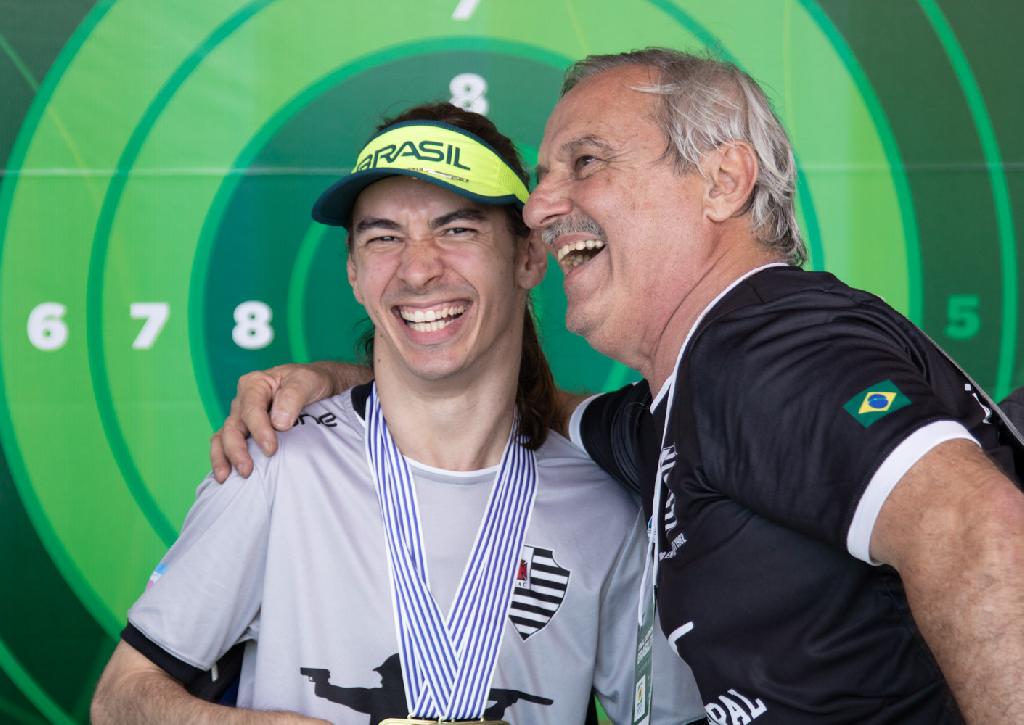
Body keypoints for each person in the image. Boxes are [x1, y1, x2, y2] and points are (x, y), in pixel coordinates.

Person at [214, 49, 1024, 724]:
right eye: (543, 176)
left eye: (586, 163)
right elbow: (530, 406)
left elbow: (977, 529)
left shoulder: (767, 348)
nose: (540, 207)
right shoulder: (682, 402)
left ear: (723, 180)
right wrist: (346, 378)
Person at [91, 102, 705, 725]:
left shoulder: (604, 500)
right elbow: (119, 698)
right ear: (354, 273)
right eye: (384, 237)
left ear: (528, 258)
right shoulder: (275, 464)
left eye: (457, 230)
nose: (417, 269)